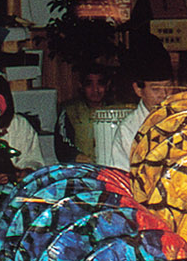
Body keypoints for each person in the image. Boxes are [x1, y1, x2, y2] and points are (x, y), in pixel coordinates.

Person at [99, 42, 177, 171]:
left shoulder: (182, 117)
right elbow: (121, 176)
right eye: (156, 89)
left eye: (168, 86)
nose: (164, 95)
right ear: (138, 90)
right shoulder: (129, 129)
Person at [54, 63, 110, 164]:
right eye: (89, 84)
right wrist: (80, 158)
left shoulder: (118, 111)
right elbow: (62, 148)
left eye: (100, 84)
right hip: (81, 170)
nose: (95, 89)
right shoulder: (70, 111)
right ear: (81, 85)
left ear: (107, 85)